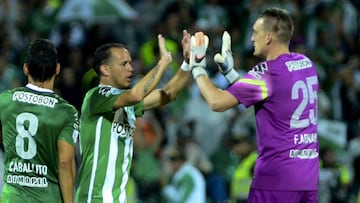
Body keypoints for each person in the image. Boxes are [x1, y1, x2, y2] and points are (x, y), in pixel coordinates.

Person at [189, 7, 319, 203]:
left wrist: (197, 67)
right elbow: (271, 93)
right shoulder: (306, 64)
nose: (251, 38)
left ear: (268, 37)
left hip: (276, 178)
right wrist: (230, 73)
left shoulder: (267, 72)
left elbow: (217, 102)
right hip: (307, 177)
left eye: (255, 32)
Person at [75, 30, 192, 203]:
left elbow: (169, 94)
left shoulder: (126, 105)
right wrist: (163, 62)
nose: (130, 68)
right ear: (105, 69)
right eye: (123, 64)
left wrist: (188, 63)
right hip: (94, 197)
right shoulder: (97, 96)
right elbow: (136, 95)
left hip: (117, 198)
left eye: (130, 63)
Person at [0, 39, 79, 203]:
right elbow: (65, 163)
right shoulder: (66, 112)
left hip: (12, 198)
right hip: (47, 198)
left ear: (25, 68)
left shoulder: (5, 100)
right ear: (57, 69)